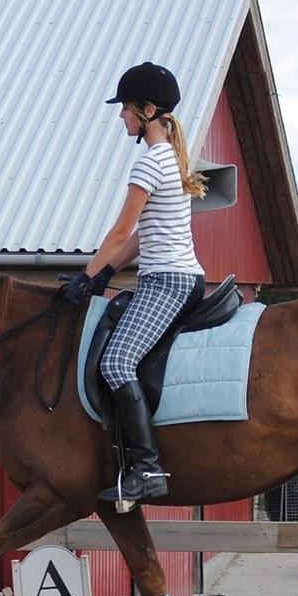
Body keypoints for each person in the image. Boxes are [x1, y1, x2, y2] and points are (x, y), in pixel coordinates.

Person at [64, 61, 207, 505]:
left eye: (125, 108)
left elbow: (120, 232)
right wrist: (107, 273)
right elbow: (144, 236)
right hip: (171, 277)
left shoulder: (149, 162)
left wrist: (85, 277)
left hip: (168, 283)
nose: (121, 116)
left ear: (146, 111)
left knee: (116, 363)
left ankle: (147, 468)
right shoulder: (171, 158)